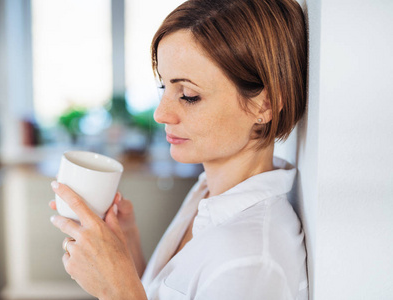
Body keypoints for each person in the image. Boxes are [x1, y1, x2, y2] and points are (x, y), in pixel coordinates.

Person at [49, 0, 308, 298]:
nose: (161, 114)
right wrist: (126, 247)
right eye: (164, 87)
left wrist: (116, 292)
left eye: (188, 95)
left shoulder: (250, 262)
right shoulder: (208, 192)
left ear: (265, 103)